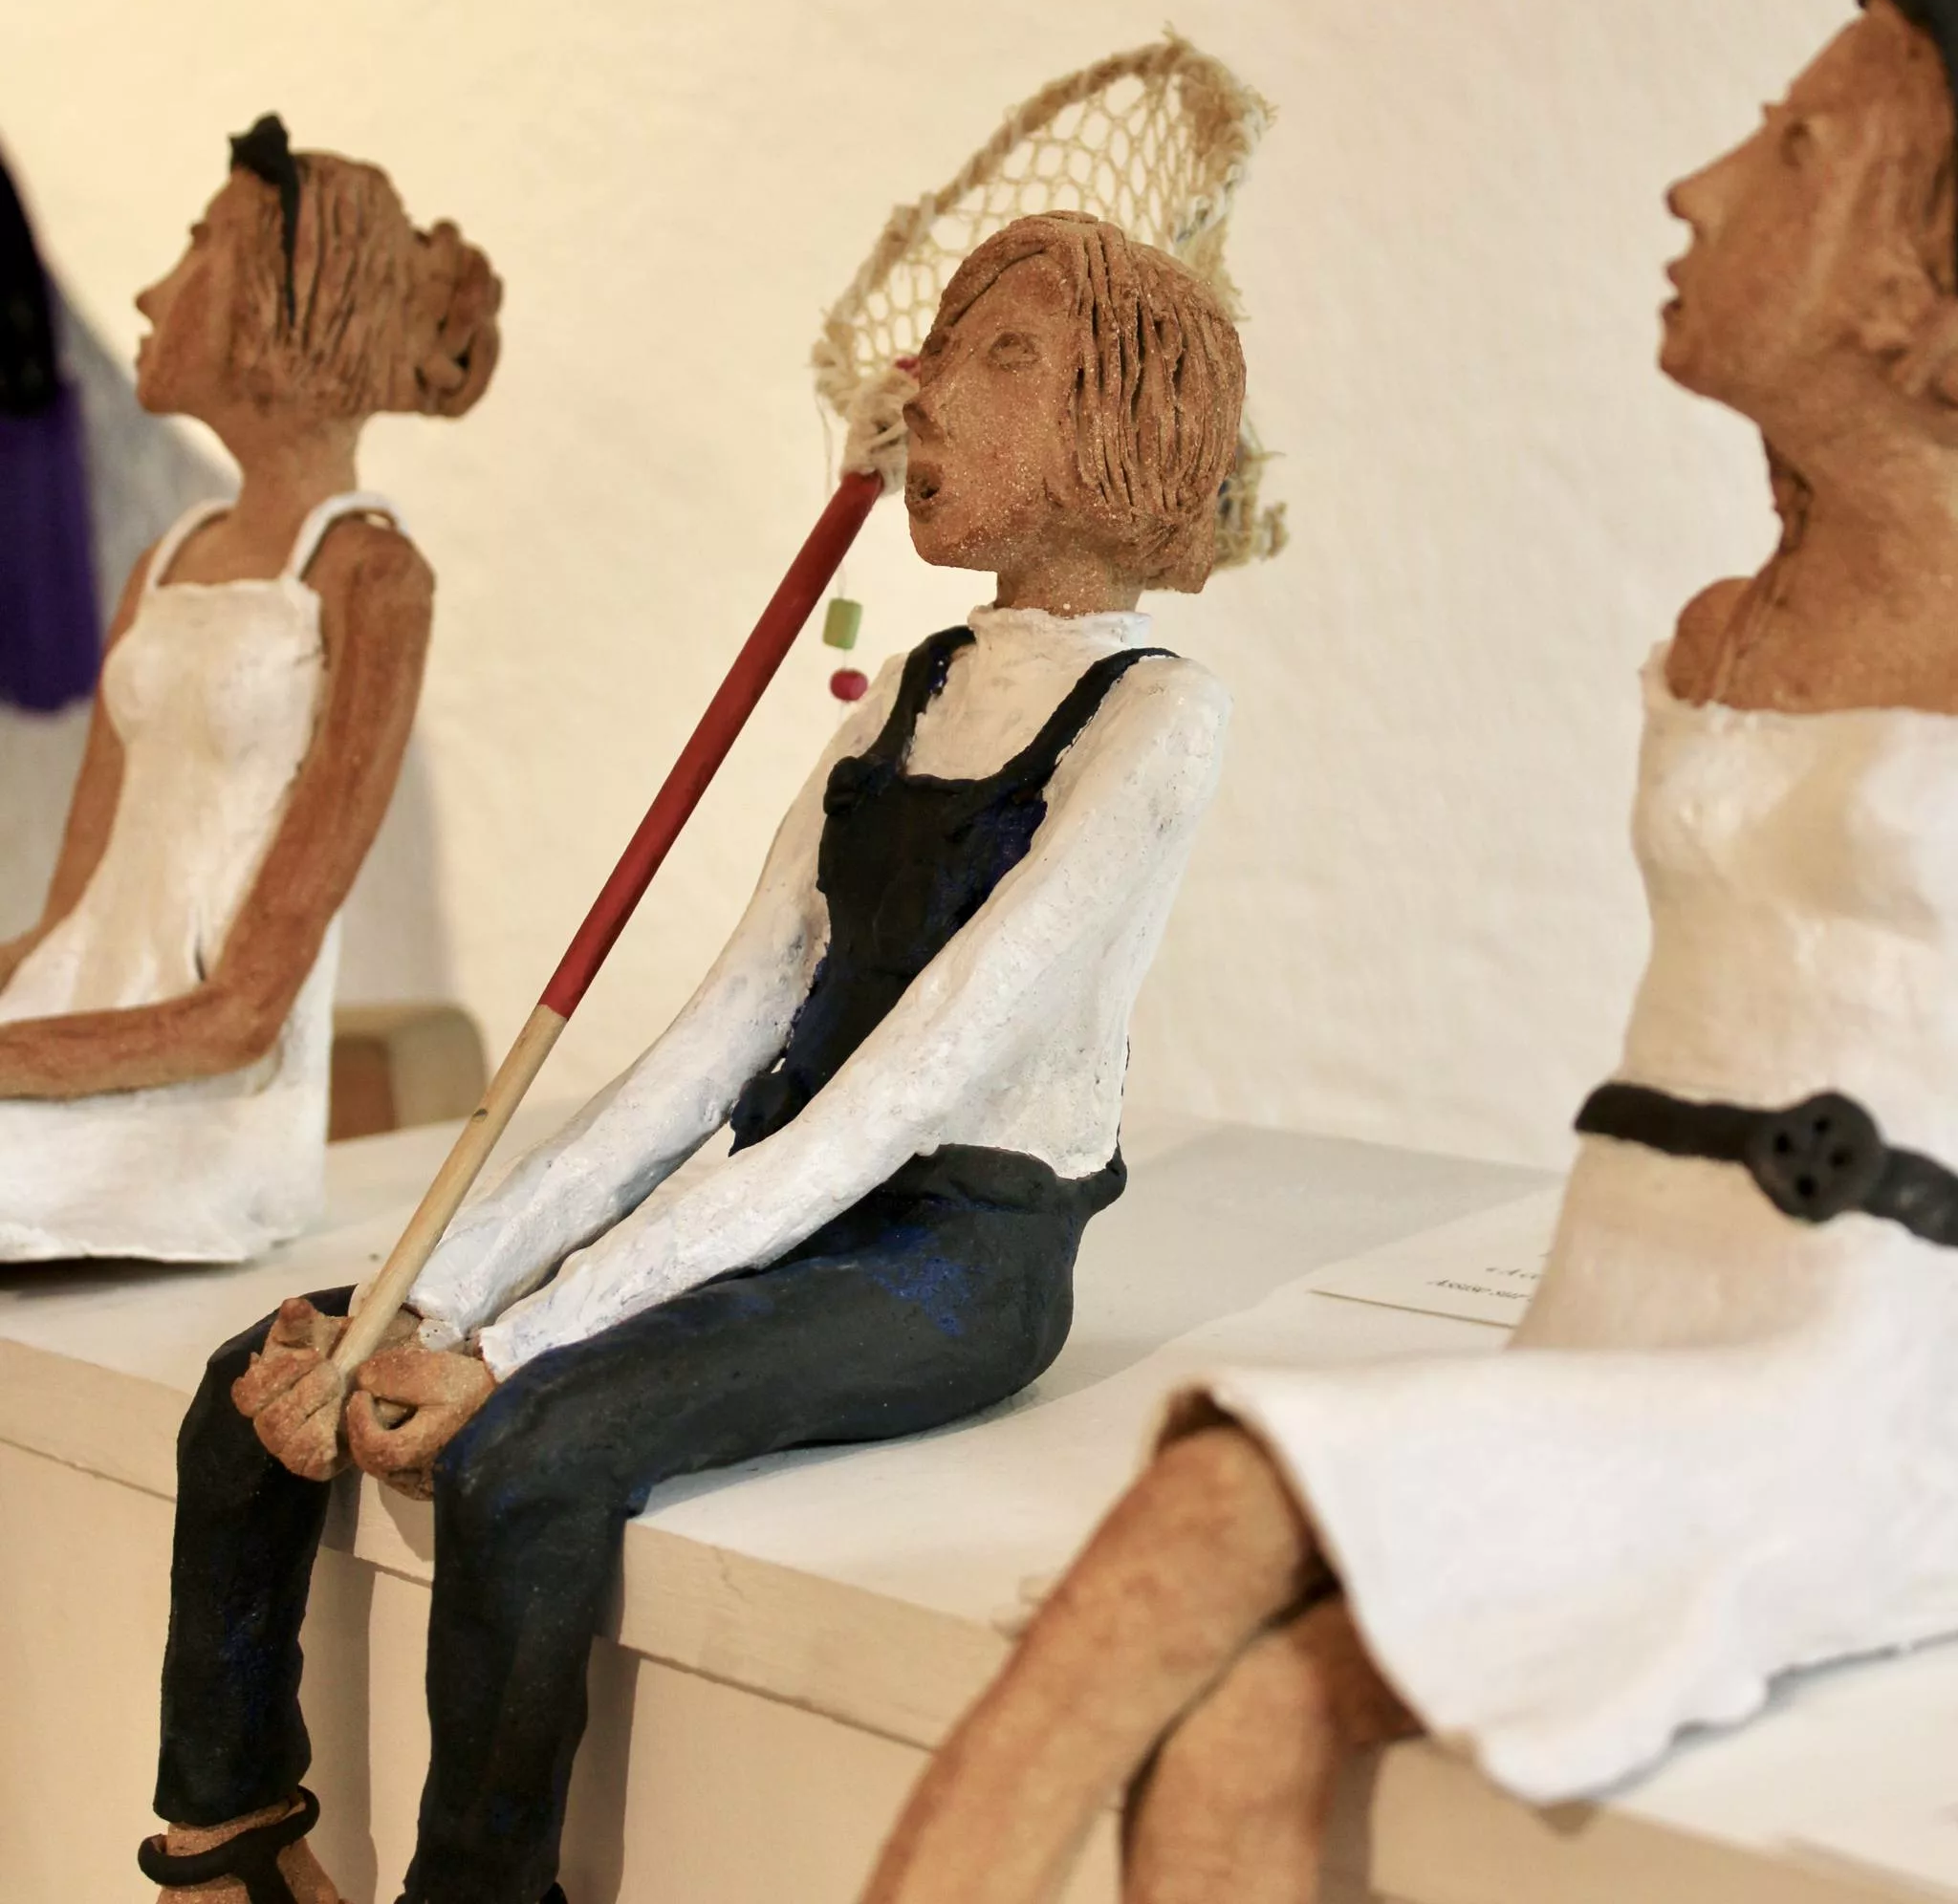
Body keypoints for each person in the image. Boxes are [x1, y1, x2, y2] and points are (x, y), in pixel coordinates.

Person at [860, 0, 1958, 1902]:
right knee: (1242, 1736)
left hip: (1847, 1367)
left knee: (1206, 1505)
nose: (1696, 189)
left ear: (1924, 264)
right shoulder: (1727, 628)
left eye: (1796, 151)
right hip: (1619, 1304)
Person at [141, 211, 1244, 1904]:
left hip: (952, 1254)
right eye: (941, 349)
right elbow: (714, 1047)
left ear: (1130, 419)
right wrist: (430, 1295)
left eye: (1003, 358)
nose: (927, 391)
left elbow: (901, 1091)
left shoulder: (1154, 716)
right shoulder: (906, 692)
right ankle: (224, 1851)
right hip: (787, 1205)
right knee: (265, 1366)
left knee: (529, 1454)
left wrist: (513, 1346)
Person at [0, 114, 499, 1263]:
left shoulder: (369, 577)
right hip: (72, 1049)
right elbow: (72, 921)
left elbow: (245, 1010)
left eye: (200, 248)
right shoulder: (169, 559)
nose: (150, 294)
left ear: (296, 300)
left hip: (201, 1111)